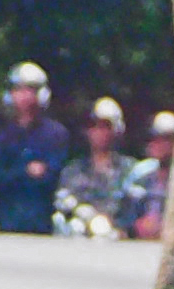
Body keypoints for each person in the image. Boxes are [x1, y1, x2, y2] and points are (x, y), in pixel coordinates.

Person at [0, 61, 71, 234]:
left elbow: (53, 176)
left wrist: (18, 173)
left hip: (42, 220)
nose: (24, 96)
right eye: (19, 89)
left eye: (30, 90)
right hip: (8, 219)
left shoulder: (55, 134)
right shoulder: (2, 135)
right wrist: (25, 171)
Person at [56, 98, 133, 235]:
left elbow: (133, 207)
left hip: (116, 236)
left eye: (105, 126)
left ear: (116, 130)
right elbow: (63, 199)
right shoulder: (73, 170)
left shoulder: (130, 170)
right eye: (93, 126)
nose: (98, 132)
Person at [110, 110, 174, 239]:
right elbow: (123, 210)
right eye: (154, 138)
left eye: (165, 139)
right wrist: (136, 225)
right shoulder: (140, 173)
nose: (157, 144)